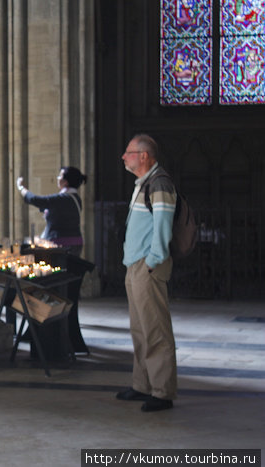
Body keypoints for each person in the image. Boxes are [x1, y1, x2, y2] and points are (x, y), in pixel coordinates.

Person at [116, 133, 177, 412]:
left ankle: (162, 392)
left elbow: (163, 227)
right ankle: (143, 384)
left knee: (155, 330)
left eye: (128, 152)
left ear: (143, 156)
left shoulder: (159, 183)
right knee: (140, 330)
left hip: (147, 266)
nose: (123, 157)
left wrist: (153, 260)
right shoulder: (143, 184)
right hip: (136, 266)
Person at [16, 166, 87, 256]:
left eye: (60, 176)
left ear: (65, 182)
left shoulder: (62, 198)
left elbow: (35, 199)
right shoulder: (76, 198)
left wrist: (21, 187)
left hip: (60, 245)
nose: (57, 178)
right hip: (75, 244)